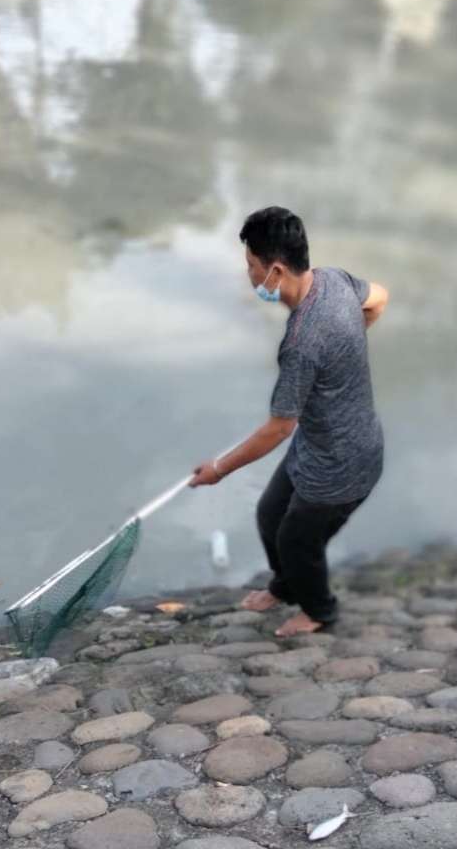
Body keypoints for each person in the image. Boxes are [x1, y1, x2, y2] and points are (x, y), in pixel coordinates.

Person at [188, 206, 387, 637]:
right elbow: (381, 297)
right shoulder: (334, 279)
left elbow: (279, 429)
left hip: (343, 462)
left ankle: (320, 611)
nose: (249, 276)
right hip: (318, 444)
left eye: (251, 267)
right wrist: (347, 349)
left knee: (298, 542)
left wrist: (218, 470)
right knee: (269, 514)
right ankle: (285, 586)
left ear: (275, 270)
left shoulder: (302, 343)